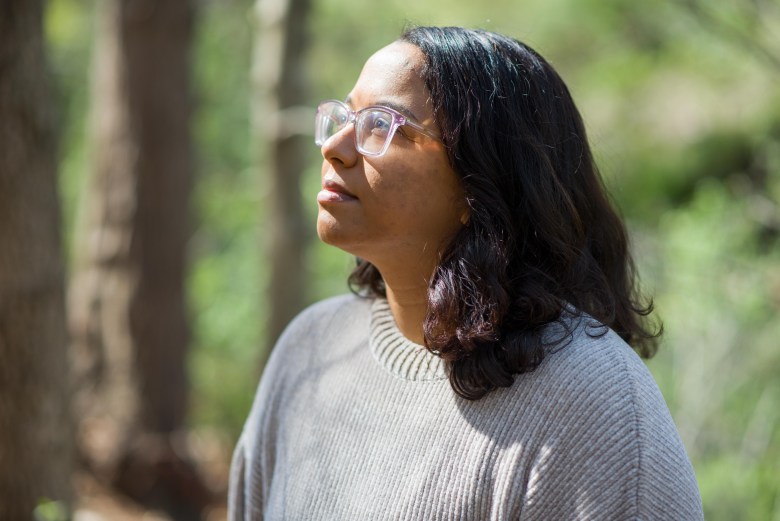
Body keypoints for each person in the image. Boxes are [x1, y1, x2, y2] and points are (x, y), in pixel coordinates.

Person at [228, 26, 704, 520]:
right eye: (345, 115)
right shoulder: (310, 351)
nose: (336, 147)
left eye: (383, 124)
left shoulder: (593, 407)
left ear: (482, 185)